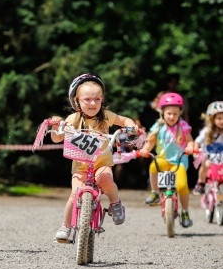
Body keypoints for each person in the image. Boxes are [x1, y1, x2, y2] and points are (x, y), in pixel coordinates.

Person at [49, 73, 140, 243]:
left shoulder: (105, 116)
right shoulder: (73, 119)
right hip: (81, 165)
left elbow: (124, 120)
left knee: (105, 179)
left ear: (102, 100)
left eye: (97, 99)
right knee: (75, 193)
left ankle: (115, 203)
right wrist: (56, 126)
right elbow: (57, 138)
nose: (93, 103)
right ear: (77, 101)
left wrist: (131, 127)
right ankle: (65, 227)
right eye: (87, 99)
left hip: (102, 162)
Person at [139, 92, 194, 227]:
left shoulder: (183, 126)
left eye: (175, 114)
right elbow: (151, 141)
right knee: (153, 166)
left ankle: (185, 211)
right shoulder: (158, 126)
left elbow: (190, 141)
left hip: (179, 161)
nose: (172, 117)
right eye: (169, 113)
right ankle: (155, 193)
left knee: (181, 186)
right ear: (162, 112)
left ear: (180, 113)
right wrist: (145, 149)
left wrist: (191, 148)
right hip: (163, 160)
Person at [193, 101, 223, 195]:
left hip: (221, 156)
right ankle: (200, 182)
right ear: (212, 119)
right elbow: (197, 142)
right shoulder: (207, 131)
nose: (222, 121)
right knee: (205, 164)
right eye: (219, 118)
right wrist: (195, 150)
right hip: (208, 155)